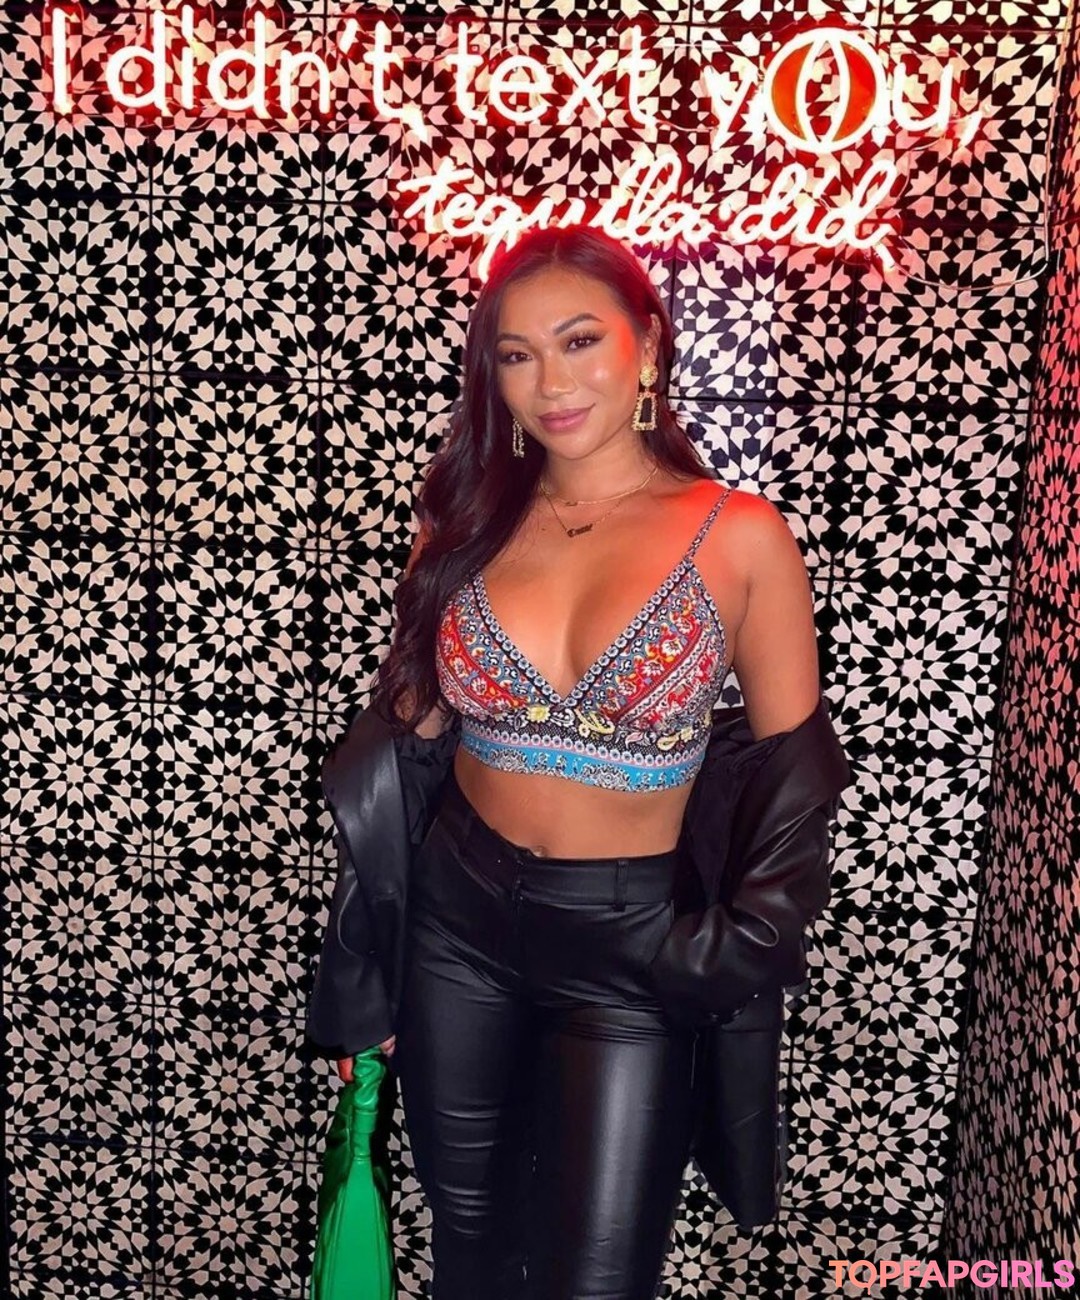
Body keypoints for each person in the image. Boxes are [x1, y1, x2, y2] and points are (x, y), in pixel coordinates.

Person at [329, 223, 822, 1299]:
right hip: (456, 928)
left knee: (599, 1278)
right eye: (517, 354)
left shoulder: (739, 533)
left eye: (580, 340)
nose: (550, 381)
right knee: (467, 1249)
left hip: (629, 940)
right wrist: (369, 960)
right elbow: (400, 755)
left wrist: (736, 946)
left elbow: (794, 775)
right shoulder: (463, 519)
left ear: (647, 343)